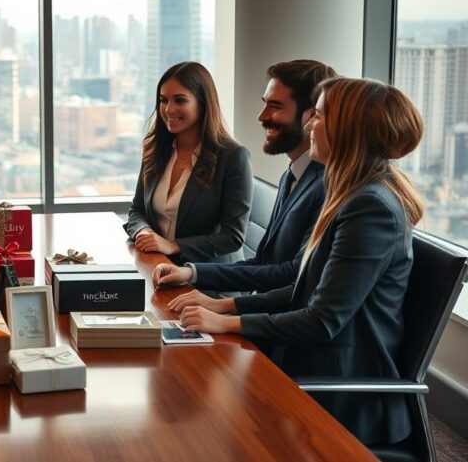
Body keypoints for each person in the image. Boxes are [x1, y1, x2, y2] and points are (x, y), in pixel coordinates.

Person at [169, 77, 425, 447]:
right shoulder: (352, 193)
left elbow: (322, 319)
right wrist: (220, 304)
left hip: (340, 391)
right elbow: (306, 287)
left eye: (318, 116)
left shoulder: (370, 207)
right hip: (312, 363)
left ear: (346, 129)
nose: (308, 125)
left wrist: (226, 322)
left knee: (199, 416)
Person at [153, 60, 337, 291]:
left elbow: (295, 280)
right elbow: (264, 265)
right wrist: (190, 273)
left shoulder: (328, 186)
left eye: (276, 106)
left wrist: (226, 312)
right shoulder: (292, 176)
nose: (261, 116)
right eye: (265, 104)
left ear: (310, 116)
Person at [124, 61, 253, 264]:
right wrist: (144, 232)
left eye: (180, 100)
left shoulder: (233, 157)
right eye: (163, 100)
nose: (168, 109)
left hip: (211, 279)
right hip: (160, 266)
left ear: (203, 103)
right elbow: (137, 210)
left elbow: (232, 237)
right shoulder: (156, 150)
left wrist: (173, 246)